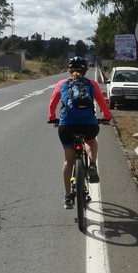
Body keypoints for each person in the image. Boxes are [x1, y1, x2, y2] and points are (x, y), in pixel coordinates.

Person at [48, 56, 112, 209]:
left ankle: (68, 197)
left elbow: (52, 104)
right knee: (90, 141)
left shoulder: (61, 84)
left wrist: (53, 118)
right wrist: (107, 117)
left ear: (69, 70)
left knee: (68, 161)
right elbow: (102, 104)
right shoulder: (92, 84)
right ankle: (92, 164)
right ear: (86, 69)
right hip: (89, 125)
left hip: (67, 126)